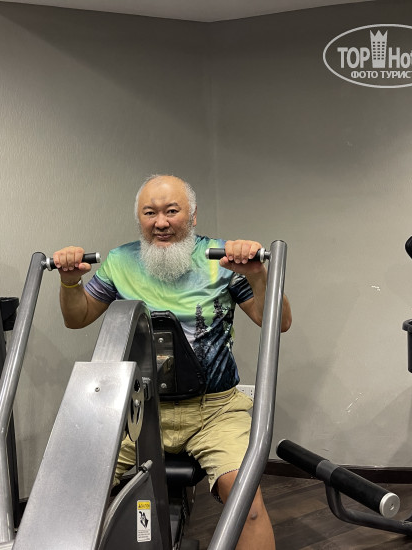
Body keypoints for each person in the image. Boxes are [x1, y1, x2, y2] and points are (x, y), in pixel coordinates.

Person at [53, 174, 292, 549]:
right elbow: (77, 317)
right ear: (139, 218)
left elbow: (278, 322)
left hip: (214, 410)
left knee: (247, 506)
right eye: (150, 213)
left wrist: (258, 275)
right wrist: (70, 282)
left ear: (192, 216)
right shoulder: (120, 262)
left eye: (171, 211)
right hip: (139, 410)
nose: (160, 222)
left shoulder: (222, 259)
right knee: (73, 491)